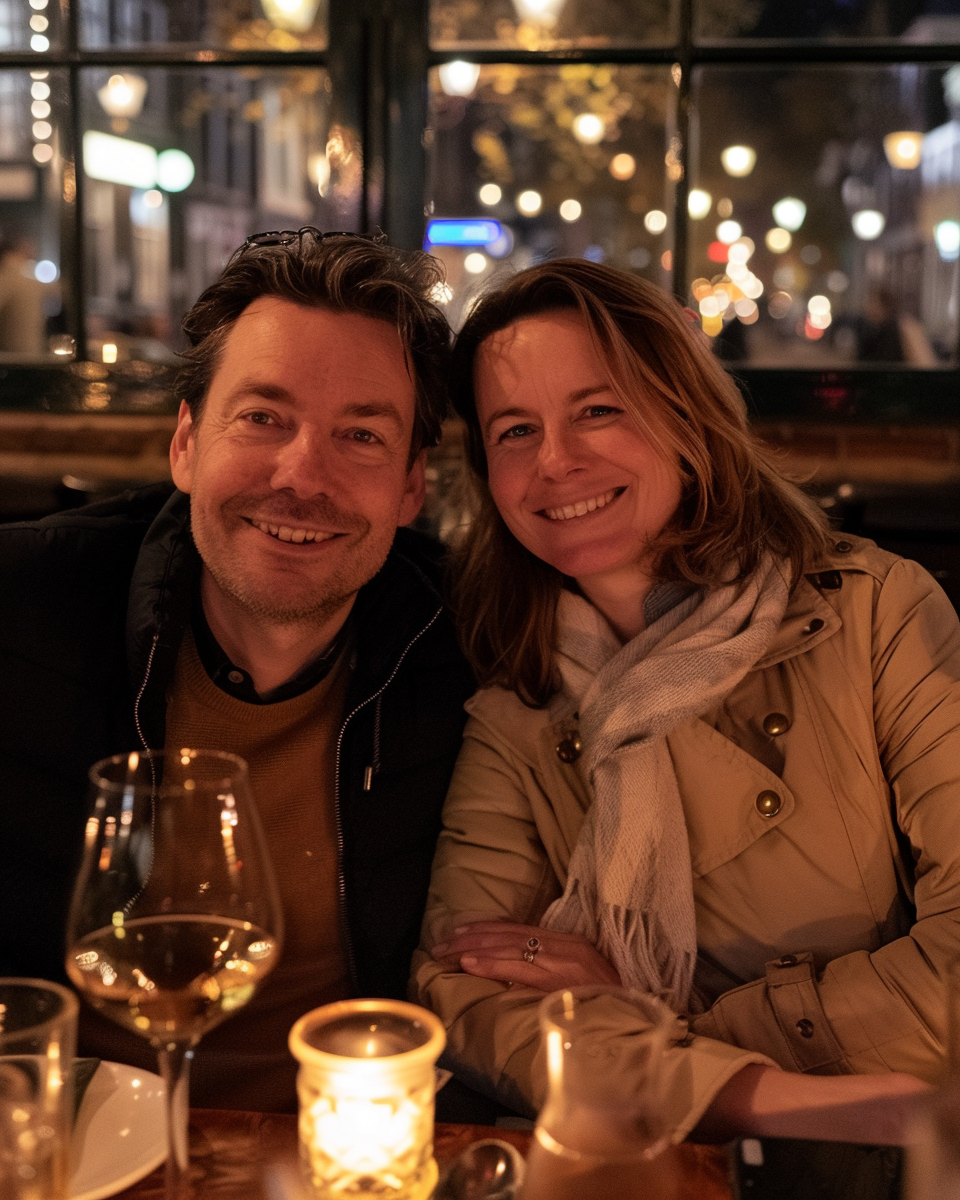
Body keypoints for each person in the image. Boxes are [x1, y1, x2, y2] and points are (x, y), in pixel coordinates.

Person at [412, 259, 959, 1145]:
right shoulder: (517, 691)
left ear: (685, 419)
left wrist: (668, 1026)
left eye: (598, 409)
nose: (555, 462)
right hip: (679, 1155)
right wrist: (747, 1092)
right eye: (515, 430)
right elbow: (458, 980)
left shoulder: (873, 613)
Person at [0, 230, 475, 1111]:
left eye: (362, 435)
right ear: (186, 443)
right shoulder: (21, 609)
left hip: (355, 1153)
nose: (303, 475)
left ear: (412, 487)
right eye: (262, 418)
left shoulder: (472, 648)